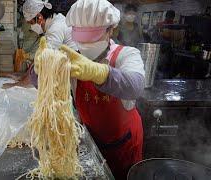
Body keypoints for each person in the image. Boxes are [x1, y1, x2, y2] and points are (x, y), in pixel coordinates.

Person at [30, 0, 145, 179]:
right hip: (91, 141)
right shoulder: (71, 57)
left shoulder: (126, 54)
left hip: (123, 145)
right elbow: (42, 85)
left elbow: (136, 86)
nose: (86, 44)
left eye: (94, 35)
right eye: (80, 35)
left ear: (111, 30)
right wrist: (39, 69)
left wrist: (97, 72)